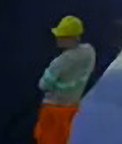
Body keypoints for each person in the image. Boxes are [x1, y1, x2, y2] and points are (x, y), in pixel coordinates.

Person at [34, 16, 96, 144]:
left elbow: (43, 85)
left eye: (61, 36)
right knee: (61, 138)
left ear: (71, 38)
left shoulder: (60, 62)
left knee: (46, 139)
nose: (58, 39)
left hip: (53, 109)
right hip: (71, 107)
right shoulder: (89, 52)